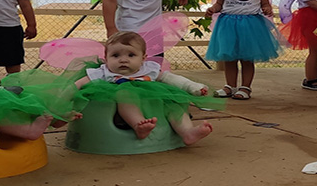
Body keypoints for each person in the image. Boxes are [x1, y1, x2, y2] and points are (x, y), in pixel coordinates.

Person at [74, 31, 218, 145]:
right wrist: (64, 94)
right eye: (116, 55)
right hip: (119, 110)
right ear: (106, 58)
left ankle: (187, 132)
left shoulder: (149, 69)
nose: (123, 60)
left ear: (143, 58)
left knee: (173, 104)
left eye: (131, 55)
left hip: (154, 102)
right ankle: (138, 125)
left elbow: (170, 79)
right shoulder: (104, 71)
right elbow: (81, 83)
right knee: (125, 94)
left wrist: (192, 87)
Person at [205, 0, 283, 101]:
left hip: (250, 25)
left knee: (247, 58)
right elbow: (219, 3)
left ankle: (245, 87)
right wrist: (213, 9)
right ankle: (230, 86)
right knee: (229, 58)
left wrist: (267, 9)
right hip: (228, 24)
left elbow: (265, 3)